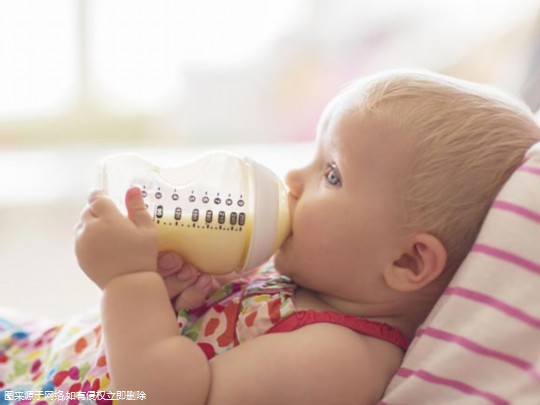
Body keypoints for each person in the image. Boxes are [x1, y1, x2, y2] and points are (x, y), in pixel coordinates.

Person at [2, 69, 539, 404]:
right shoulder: (306, 280)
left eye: (332, 174)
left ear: (406, 260)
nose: (294, 180)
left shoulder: (340, 360)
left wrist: (127, 281)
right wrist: (183, 292)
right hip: (41, 353)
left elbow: (161, 396)